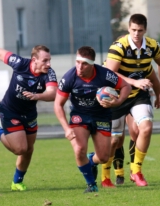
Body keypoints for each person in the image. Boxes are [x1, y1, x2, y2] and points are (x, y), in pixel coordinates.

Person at [0, 45, 57, 191]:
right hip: (10, 110)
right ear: (34, 60)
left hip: (29, 113)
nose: (48, 64)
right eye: (45, 61)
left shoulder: (49, 73)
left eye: (49, 60)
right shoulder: (20, 63)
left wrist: (38, 96)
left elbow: (53, 92)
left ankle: (17, 182)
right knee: (20, 149)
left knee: (29, 149)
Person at [54, 46, 131, 193]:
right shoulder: (69, 77)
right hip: (79, 116)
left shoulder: (105, 75)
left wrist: (118, 101)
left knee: (103, 157)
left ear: (92, 64)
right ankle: (91, 184)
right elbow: (58, 104)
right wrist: (66, 128)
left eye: (84, 64)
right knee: (79, 149)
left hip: (102, 116)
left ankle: (91, 160)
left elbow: (126, 86)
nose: (79, 66)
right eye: (77, 62)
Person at [104, 13, 160, 187]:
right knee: (115, 140)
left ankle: (136, 171)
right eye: (133, 30)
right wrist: (134, 82)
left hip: (139, 96)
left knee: (145, 128)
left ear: (145, 30)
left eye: (140, 30)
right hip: (116, 96)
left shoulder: (153, 46)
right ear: (128, 28)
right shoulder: (119, 47)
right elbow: (109, 73)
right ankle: (105, 175)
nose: (136, 33)